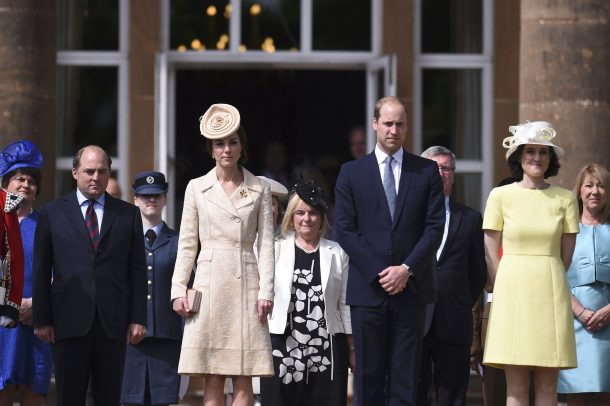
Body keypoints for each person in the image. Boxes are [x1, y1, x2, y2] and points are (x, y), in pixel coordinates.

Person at [334, 96, 445, 405]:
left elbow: (434, 227)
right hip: (369, 292)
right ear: (375, 125)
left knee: (405, 382)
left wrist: (406, 269)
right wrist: (381, 273)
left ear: (406, 127)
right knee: (367, 381)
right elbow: (344, 229)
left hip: (411, 292)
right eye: (388, 123)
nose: (394, 130)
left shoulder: (425, 171)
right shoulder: (351, 172)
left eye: (400, 124)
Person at [171, 103, 274, 406]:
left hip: (246, 283)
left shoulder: (260, 188)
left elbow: (266, 244)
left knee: (244, 374)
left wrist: (266, 291)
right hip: (209, 281)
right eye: (220, 143)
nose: (227, 149)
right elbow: (187, 244)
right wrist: (179, 289)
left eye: (233, 141)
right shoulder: (196, 188)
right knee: (212, 374)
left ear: (242, 146)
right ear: (211, 149)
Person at [32, 145, 148, 405]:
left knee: (108, 397)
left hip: (113, 322)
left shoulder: (128, 214)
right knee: (69, 396)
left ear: (109, 174)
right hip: (67, 321)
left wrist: (138, 318)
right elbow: (41, 270)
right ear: (75, 173)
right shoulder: (52, 212)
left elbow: (137, 269)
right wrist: (42, 319)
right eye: (89, 171)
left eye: (102, 171)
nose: (96, 177)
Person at [482, 121, 579, 405]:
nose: (537, 158)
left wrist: (548, 278)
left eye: (543, 152)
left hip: (550, 291)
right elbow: (490, 250)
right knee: (515, 386)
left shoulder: (566, 198)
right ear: (518, 157)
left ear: (551, 159)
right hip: (513, 292)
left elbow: (566, 256)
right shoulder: (500, 196)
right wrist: (507, 286)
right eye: (530, 151)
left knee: (549, 385)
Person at [260, 179, 354, 405]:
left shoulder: (337, 252)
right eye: (300, 212)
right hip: (283, 343)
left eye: (313, 212)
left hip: (327, 346)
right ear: (291, 216)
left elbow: (345, 305)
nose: (307, 218)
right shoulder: (274, 248)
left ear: (321, 217)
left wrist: (352, 349)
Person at [417, 146, 487, 406]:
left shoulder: (470, 218)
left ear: (454, 175)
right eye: (434, 167)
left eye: (446, 168)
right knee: (413, 394)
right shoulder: (407, 218)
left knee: (453, 398)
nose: (440, 172)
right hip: (414, 319)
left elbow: (478, 271)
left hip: (454, 321)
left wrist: (459, 299)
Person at [121, 171, 182, 406]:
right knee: (129, 400)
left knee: (163, 401)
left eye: (156, 195)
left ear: (165, 199)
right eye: (145, 196)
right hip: (129, 337)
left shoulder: (179, 241)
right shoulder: (123, 240)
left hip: (166, 338)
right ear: (135, 199)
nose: (151, 200)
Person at [0, 140, 52, 405]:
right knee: (2, 391)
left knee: (34, 392)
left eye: (32, 180)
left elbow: (61, 273)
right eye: (19, 178)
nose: (26, 184)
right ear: (5, 183)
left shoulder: (47, 225)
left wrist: (39, 303)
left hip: (35, 322)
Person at [557, 163, 610, 405]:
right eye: (589, 185)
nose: (595, 191)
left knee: (605, 390)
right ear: (579, 191)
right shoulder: (565, 230)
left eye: (601, 185)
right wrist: (580, 311)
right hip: (573, 321)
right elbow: (555, 274)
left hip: (609, 319)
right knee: (575, 390)